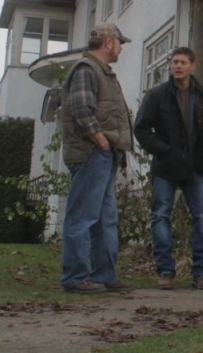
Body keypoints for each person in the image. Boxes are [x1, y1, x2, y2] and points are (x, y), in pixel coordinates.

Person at [134, 47, 203, 290]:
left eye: (183, 62)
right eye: (175, 62)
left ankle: (202, 272)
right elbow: (141, 128)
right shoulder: (157, 95)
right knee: (161, 215)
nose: (178, 66)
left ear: (193, 66)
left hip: (196, 166)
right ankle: (165, 271)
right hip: (166, 166)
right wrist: (163, 149)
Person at [59, 22, 134, 294]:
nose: (121, 48)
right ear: (109, 43)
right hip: (92, 154)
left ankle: (105, 275)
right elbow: (81, 110)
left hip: (103, 155)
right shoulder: (86, 69)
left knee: (105, 219)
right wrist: (101, 142)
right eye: (120, 43)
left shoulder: (101, 71)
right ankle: (75, 278)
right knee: (82, 217)